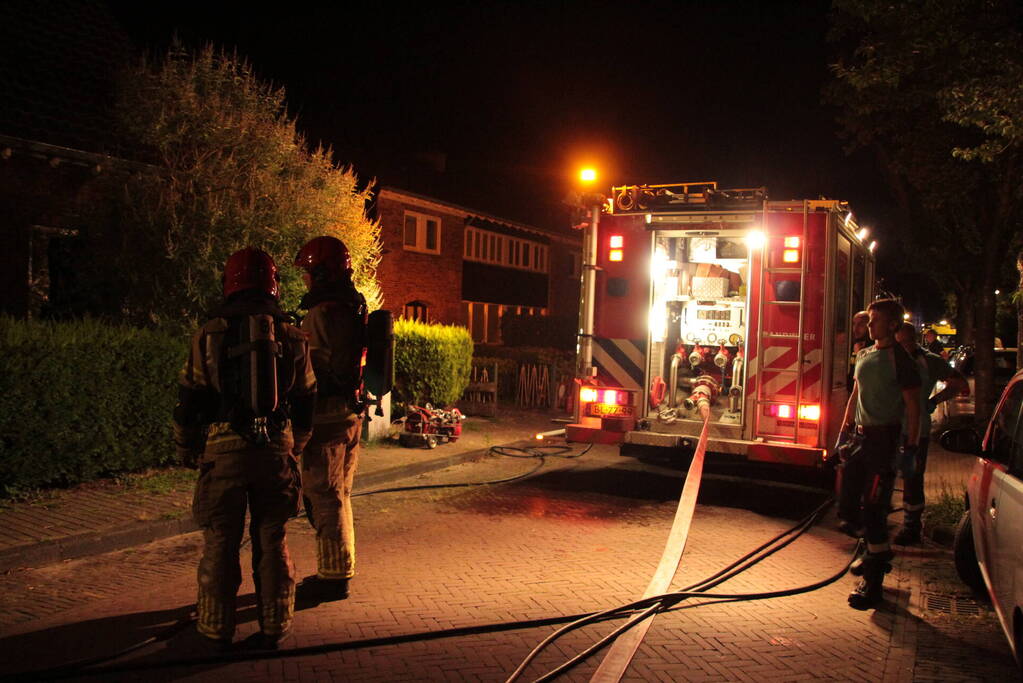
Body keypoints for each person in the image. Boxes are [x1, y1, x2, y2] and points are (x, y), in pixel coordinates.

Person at [173, 247, 317, 649]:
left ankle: (216, 628)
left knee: (221, 539)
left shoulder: (209, 333)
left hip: (224, 448)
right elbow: (307, 396)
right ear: (272, 283)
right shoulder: (292, 334)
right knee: (273, 537)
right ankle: (275, 625)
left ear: (229, 282)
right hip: (276, 449)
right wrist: (297, 444)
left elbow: (191, 397)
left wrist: (187, 446)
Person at [293, 236, 368, 602]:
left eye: (308, 271)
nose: (305, 278)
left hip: (326, 415)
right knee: (340, 494)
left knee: (325, 495)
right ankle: (339, 568)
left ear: (321, 271)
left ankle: (334, 578)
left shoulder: (323, 311)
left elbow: (315, 364)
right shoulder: (353, 306)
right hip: (350, 414)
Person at [838, 298, 921, 610]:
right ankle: (873, 549)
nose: (868, 325)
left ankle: (872, 583)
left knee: (874, 510)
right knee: (847, 509)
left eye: (875, 320)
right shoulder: (864, 354)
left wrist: (910, 448)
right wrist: (844, 433)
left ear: (893, 325)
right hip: (859, 439)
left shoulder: (902, 362)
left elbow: (913, 408)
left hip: (883, 442)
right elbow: (855, 395)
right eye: (868, 320)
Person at [893, 322, 968, 545]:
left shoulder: (929, 361)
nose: (903, 347)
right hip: (890, 426)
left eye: (906, 342)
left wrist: (934, 401)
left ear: (914, 340)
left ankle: (911, 527)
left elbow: (959, 383)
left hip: (916, 431)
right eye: (900, 342)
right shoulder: (889, 357)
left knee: (912, 477)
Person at [847, 311, 870, 391]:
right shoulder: (853, 343)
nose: (855, 328)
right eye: (854, 324)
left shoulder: (873, 347)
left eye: (861, 325)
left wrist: (859, 353)